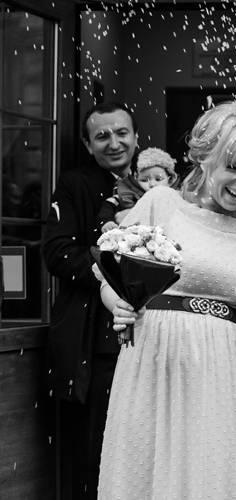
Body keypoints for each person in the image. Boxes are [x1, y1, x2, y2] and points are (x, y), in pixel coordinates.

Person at [97, 102, 236, 500]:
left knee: (213, 480)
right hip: (156, 363)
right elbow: (107, 272)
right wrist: (115, 302)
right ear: (204, 158)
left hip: (224, 372)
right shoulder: (161, 204)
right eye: (234, 166)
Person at [42, 101, 138, 499]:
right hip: (94, 340)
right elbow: (57, 252)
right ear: (87, 144)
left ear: (136, 136)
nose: (114, 143)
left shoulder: (159, 183)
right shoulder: (74, 184)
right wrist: (110, 273)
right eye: (102, 136)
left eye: (122, 133)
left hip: (150, 335)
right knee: (95, 449)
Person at [97, 146, 178, 232]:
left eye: (158, 179)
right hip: (133, 236)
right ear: (135, 178)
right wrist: (107, 222)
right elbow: (108, 207)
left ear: (170, 179)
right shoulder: (126, 193)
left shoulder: (174, 196)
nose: (152, 184)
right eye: (144, 180)